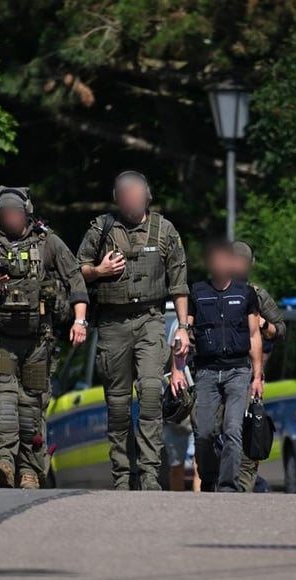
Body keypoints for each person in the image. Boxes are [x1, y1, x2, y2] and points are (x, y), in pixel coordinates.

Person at [78, 171, 190, 491]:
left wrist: (182, 327)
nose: (130, 199)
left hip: (151, 320)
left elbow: (179, 285)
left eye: (136, 194)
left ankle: (150, 472)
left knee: (152, 392)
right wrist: (99, 271)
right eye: (124, 194)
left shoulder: (165, 231)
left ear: (146, 196)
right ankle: (123, 475)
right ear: (117, 198)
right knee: (117, 404)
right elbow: (76, 272)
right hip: (113, 324)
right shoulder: (101, 229)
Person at [0, 187, 89, 489]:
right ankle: (2, 463)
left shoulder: (48, 243)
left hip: (38, 340)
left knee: (31, 407)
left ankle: (30, 470)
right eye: (4, 214)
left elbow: (75, 279)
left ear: (26, 212)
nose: (10, 219)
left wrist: (80, 320)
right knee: (4, 402)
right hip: (0, 338)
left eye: (14, 213)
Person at [171, 241, 263, 492]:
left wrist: (257, 376)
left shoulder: (246, 293)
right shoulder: (197, 292)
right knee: (204, 434)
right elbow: (183, 333)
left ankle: (228, 486)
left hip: (238, 372)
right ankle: (209, 476)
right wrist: (177, 369)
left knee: (233, 430)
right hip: (207, 372)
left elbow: (255, 335)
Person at [230, 240, 286, 492]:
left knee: (248, 434)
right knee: (213, 436)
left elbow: (280, 330)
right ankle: (220, 485)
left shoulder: (257, 294)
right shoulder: (210, 292)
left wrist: (262, 324)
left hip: (249, 376)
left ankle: (241, 489)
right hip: (217, 373)